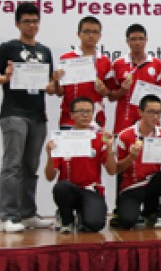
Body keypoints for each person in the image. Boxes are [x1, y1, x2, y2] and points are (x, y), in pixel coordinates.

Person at [0, 2, 57, 233]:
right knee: (12, 165)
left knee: (30, 166)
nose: (32, 25)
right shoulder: (7, 48)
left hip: (38, 115)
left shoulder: (45, 51)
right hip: (14, 113)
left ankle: (27, 214)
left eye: (35, 21)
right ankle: (7, 216)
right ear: (17, 23)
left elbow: (51, 87)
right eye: (26, 21)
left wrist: (55, 83)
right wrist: (5, 78)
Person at [43, 97, 115, 233]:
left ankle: (84, 214)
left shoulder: (100, 138)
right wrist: (49, 154)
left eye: (88, 111)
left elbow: (111, 171)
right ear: (71, 115)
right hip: (69, 189)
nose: (85, 115)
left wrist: (110, 148)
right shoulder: (61, 139)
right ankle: (66, 218)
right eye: (80, 111)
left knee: (95, 225)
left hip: (91, 190)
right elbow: (49, 176)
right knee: (61, 187)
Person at [113, 95, 161, 229]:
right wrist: (131, 158)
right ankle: (143, 212)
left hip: (153, 184)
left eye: (158, 112)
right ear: (140, 112)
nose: (155, 116)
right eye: (151, 112)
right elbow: (116, 169)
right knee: (127, 221)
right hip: (132, 186)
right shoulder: (125, 135)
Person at [107, 24, 161, 136]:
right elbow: (111, 97)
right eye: (133, 39)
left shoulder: (156, 64)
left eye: (141, 39)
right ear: (127, 41)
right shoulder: (118, 64)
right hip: (124, 120)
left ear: (146, 40)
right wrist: (122, 90)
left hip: (150, 120)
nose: (137, 43)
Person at [55, 16, 112, 129]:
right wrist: (56, 81)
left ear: (100, 36)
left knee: (95, 147)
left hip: (95, 119)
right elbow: (59, 92)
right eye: (87, 31)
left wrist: (103, 90)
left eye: (95, 32)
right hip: (69, 118)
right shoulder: (66, 58)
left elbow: (109, 93)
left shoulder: (105, 61)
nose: (91, 35)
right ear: (78, 34)